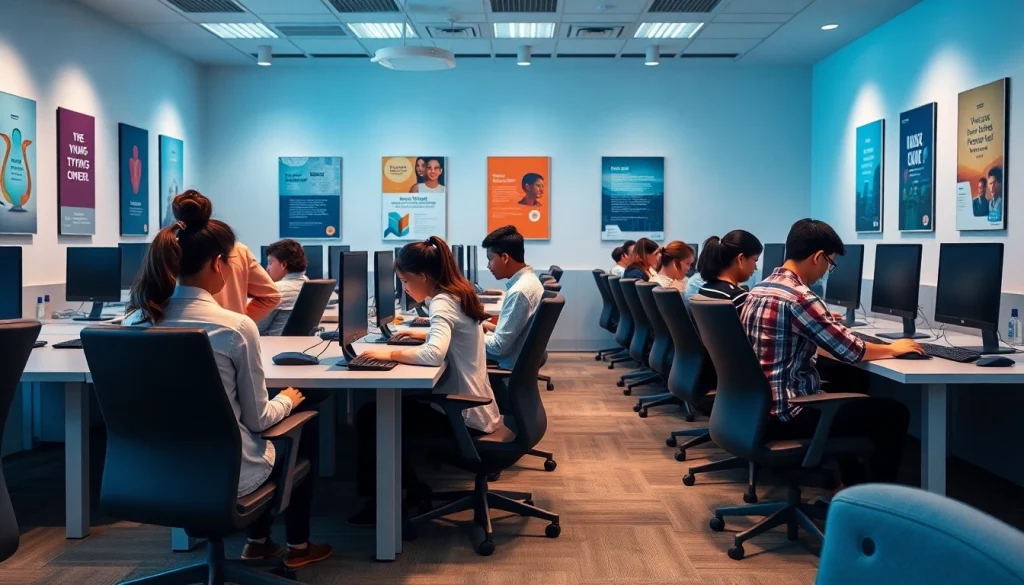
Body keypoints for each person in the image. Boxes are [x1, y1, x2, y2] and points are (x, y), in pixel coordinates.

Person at [123, 192, 330, 568]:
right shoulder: (234, 327)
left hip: (148, 473)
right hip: (227, 474)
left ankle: (259, 542)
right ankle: (296, 545)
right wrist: (289, 397)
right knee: (304, 425)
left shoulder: (132, 323)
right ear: (219, 264)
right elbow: (258, 420)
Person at [742, 218, 920, 487]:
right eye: (830, 263)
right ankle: (872, 500)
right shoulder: (800, 297)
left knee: (848, 386)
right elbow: (852, 350)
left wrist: (824, 324)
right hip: (790, 413)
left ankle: (848, 484)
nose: (827, 271)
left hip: (757, 409)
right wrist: (892, 348)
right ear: (818, 257)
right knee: (893, 413)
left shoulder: (759, 289)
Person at [348, 236, 503, 526]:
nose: (404, 288)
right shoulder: (457, 293)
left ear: (422, 276)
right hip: (478, 406)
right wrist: (421, 333)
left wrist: (389, 353)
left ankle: (385, 503)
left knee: (372, 415)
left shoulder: (442, 302)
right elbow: (455, 335)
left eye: (405, 281)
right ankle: (411, 488)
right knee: (385, 410)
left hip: (464, 416)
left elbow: (433, 355)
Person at [171, 192, 281, 323]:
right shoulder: (237, 250)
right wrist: (239, 322)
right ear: (217, 262)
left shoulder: (168, 248)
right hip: (229, 331)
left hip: (173, 331)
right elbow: (270, 296)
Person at [479, 225, 544, 369]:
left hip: (505, 367)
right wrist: (491, 327)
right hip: (517, 361)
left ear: (505, 258)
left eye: (490, 259)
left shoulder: (519, 292)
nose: (488, 266)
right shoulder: (530, 281)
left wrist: (466, 335)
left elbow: (498, 347)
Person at [696, 231, 762, 310]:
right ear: (741, 259)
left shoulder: (704, 289)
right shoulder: (739, 299)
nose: (755, 267)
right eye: (755, 260)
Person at [257, 239, 308, 336]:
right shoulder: (307, 282)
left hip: (271, 344)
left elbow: (253, 328)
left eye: (270, 262)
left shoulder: (274, 290)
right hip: (298, 343)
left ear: (283, 264)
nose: (267, 268)